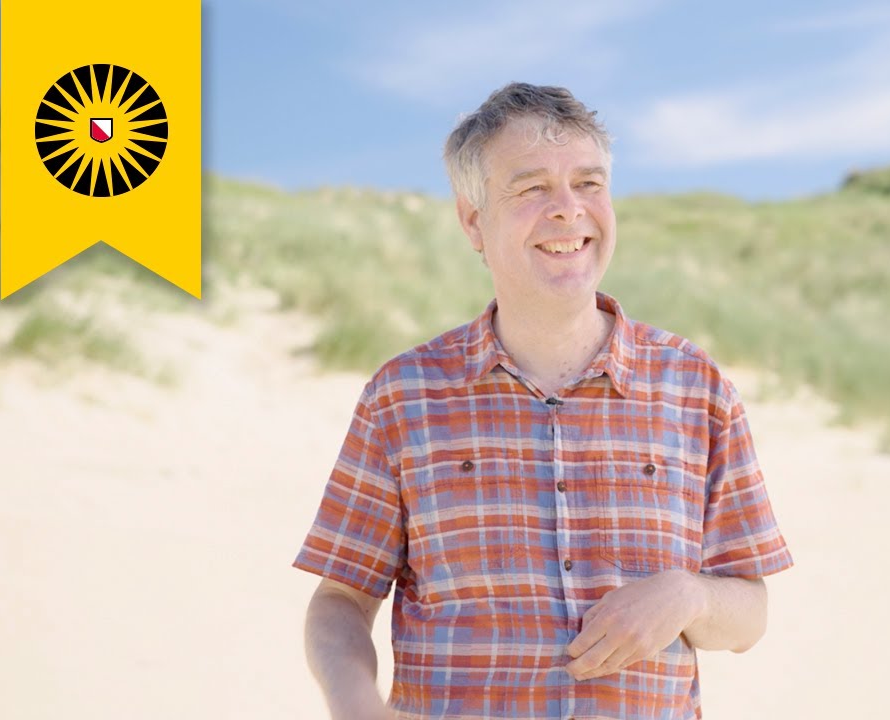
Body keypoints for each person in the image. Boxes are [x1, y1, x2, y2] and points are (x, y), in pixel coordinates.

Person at [294, 82, 793, 720]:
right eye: (531, 188)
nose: (568, 210)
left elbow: (748, 616)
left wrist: (688, 596)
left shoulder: (696, 387)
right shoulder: (403, 396)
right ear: (474, 220)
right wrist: (353, 701)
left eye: (588, 184)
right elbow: (341, 597)